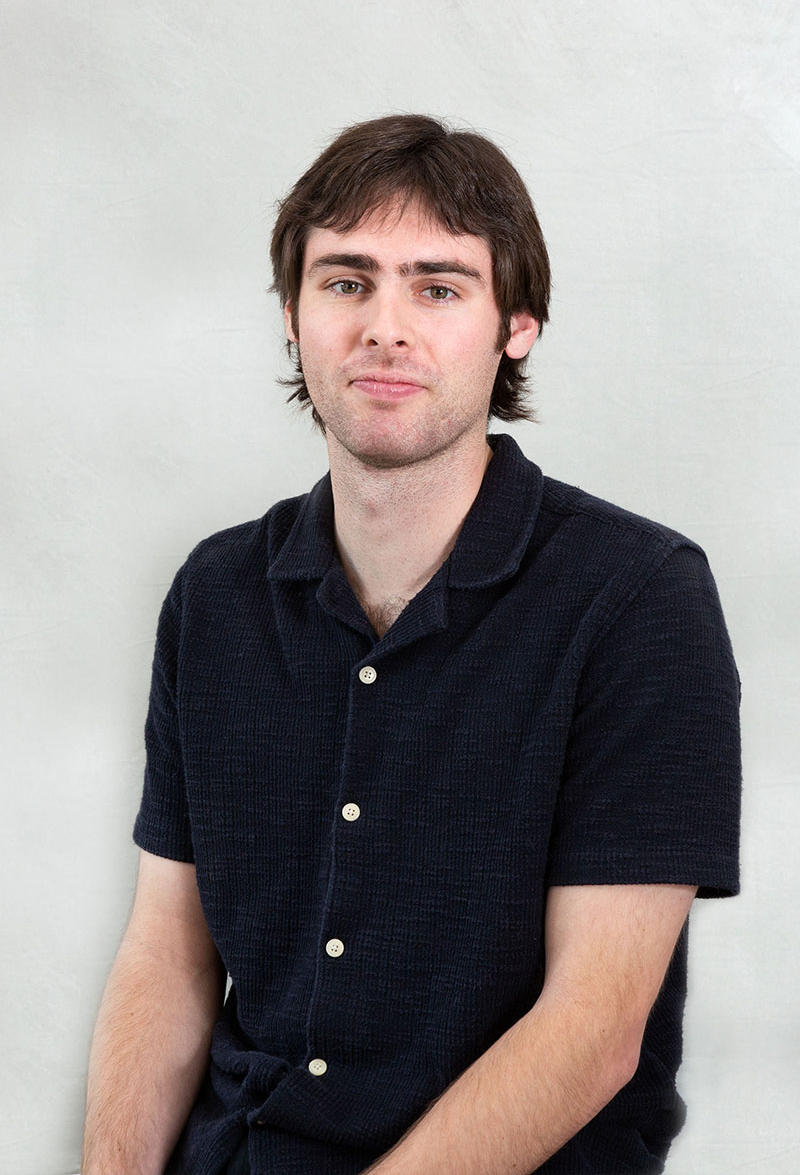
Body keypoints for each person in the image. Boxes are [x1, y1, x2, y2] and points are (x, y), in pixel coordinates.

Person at [81, 114, 741, 1175]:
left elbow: (594, 1031)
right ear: (292, 318)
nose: (384, 326)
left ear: (514, 325)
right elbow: (167, 954)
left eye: (438, 287)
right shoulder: (213, 596)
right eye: (345, 282)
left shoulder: (634, 600)